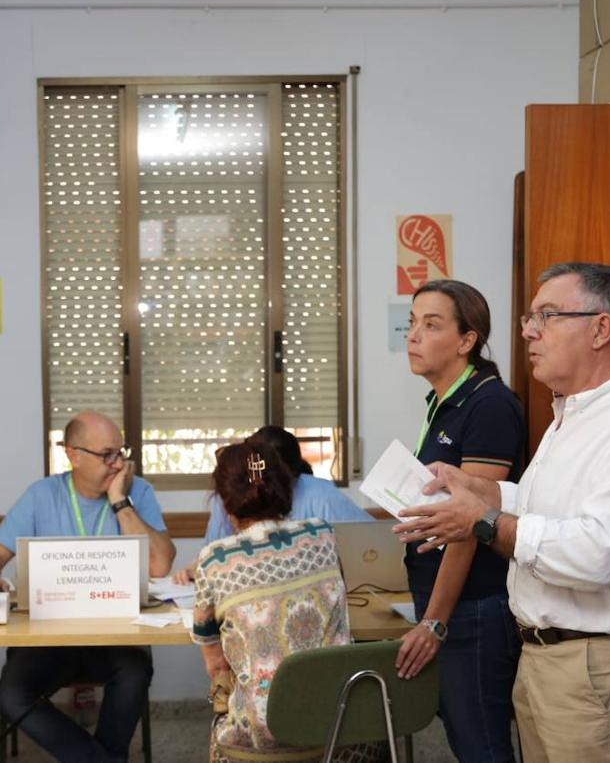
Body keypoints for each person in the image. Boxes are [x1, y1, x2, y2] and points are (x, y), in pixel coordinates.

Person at [396, 263, 610, 763]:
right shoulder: (572, 416)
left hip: (595, 663)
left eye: (548, 316)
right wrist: (481, 490)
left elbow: (598, 554)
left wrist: (483, 522)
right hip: (546, 657)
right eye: (530, 318)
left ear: (601, 328)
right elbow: (544, 509)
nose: (529, 331)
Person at [0, 410, 176, 762]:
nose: (118, 464)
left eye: (121, 452)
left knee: (134, 673)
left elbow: (161, 565)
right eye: (107, 454)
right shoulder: (42, 494)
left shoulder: (138, 491)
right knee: (12, 695)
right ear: (72, 455)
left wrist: (121, 501)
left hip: (115, 636)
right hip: (48, 638)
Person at [191, 440, 382, 763]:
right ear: (287, 488)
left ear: (225, 503)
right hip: (342, 733)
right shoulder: (324, 535)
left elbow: (216, 664)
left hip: (258, 744)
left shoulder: (214, 560)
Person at [397, 279, 524, 762]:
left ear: (467, 340)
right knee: (466, 735)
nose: (413, 336)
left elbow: (470, 525)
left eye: (431, 325)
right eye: (411, 323)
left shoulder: (488, 404)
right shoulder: (443, 400)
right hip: (447, 599)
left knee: (482, 746)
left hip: (474, 605)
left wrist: (435, 623)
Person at [172, 425, 370, 584]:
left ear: (287, 477)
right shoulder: (228, 496)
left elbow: (370, 545)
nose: (260, 486)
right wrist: (195, 568)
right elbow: (209, 558)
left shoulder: (320, 499)